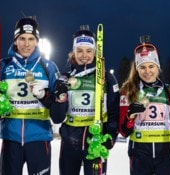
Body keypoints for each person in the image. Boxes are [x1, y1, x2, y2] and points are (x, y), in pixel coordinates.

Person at [50, 25, 120, 175]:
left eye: (89, 51)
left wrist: (110, 137)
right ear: (73, 52)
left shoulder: (107, 78)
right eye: (79, 51)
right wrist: (60, 97)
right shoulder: (65, 78)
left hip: (95, 141)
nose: (84, 55)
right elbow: (57, 118)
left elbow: (114, 112)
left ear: (95, 52)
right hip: (70, 143)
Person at [0, 16, 60, 175]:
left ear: (37, 41)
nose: (27, 44)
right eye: (22, 38)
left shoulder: (48, 67)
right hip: (11, 138)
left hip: (39, 138)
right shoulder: (4, 66)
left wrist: (44, 94)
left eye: (31, 39)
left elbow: (58, 105)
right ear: (15, 40)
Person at [119, 36, 170, 175]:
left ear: (158, 67)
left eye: (151, 66)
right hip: (139, 153)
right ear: (137, 69)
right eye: (142, 67)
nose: (147, 71)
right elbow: (123, 131)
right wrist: (130, 116)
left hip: (166, 154)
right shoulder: (128, 90)